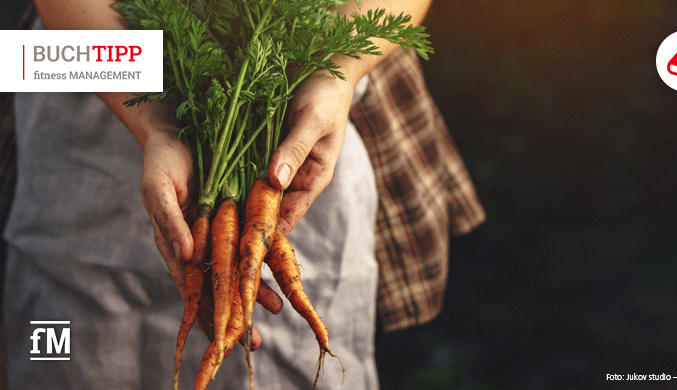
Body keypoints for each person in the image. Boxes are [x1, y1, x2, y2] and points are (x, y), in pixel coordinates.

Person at [3, 0, 484, 388]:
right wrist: (156, 124)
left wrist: (336, 71)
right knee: (65, 360)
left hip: (302, 116)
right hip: (91, 86)